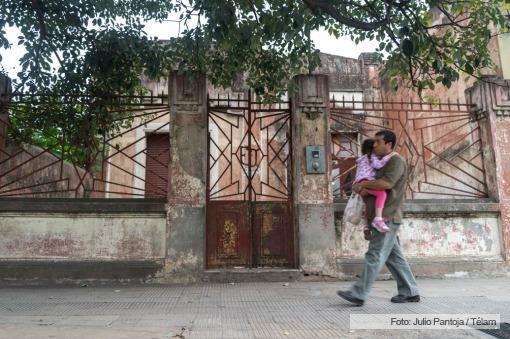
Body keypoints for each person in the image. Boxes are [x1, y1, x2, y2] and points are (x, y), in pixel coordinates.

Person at [336, 130, 420, 306]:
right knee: (393, 256)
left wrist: (362, 184)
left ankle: (359, 293)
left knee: (375, 254)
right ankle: (409, 291)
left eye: (378, 142)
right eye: (374, 142)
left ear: (388, 144)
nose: (374, 145)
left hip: (387, 216)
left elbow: (386, 184)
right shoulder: (380, 162)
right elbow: (364, 183)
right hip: (378, 216)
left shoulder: (396, 161)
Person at [354, 138, 395, 233]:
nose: (377, 147)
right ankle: (378, 219)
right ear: (372, 149)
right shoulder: (371, 157)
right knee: (382, 194)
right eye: (375, 146)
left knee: (367, 205)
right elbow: (378, 165)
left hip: (359, 182)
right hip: (366, 181)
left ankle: (366, 226)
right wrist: (390, 156)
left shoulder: (362, 159)